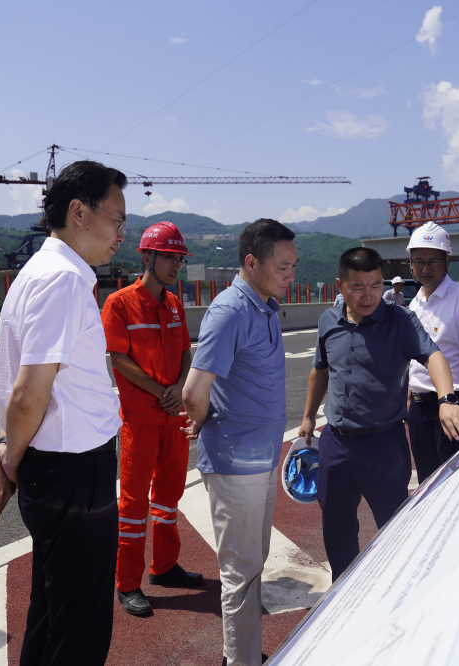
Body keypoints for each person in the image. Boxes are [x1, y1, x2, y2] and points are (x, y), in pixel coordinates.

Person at [0, 160, 127, 665]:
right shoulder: (63, 280)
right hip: (73, 471)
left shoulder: (37, 273)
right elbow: (28, 394)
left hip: (56, 469)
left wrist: (12, 452)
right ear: (78, 211)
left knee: (51, 612)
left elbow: (22, 389)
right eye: (116, 219)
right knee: (80, 630)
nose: (121, 235)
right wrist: (7, 460)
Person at [299, 247, 459, 581]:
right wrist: (307, 416)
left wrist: (447, 398)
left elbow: (434, 357)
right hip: (335, 442)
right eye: (358, 286)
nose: (369, 295)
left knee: (395, 529)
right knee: (336, 528)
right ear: (340, 285)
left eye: (375, 285)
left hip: (384, 444)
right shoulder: (328, 320)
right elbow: (320, 370)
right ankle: (342, 594)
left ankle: (402, 594)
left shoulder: (400, 319)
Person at [180, 219, 297, 666]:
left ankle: (245, 652)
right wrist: (208, 421)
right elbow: (193, 392)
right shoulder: (230, 310)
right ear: (252, 262)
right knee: (240, 572)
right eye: (283, 266)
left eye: (293, 266)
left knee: (253, 564)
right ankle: (241, 660)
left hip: (262, 457)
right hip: (235, 462)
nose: (291, 275)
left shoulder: (264, 306)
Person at [102, 222, 204, 617]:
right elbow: (119, 359)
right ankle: (127, 583)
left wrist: (180, 386)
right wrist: (159, 390)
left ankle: (164, 566)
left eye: (179, 259)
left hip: (172, 416)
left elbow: (184, 351)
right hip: (140, 419)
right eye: (169, 257)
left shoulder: (175, 303)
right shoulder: (120, 303)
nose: (176, 265)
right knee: (132, 503)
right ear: (147, 257)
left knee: (168, 496)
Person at [406, 222, 459, 485]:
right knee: (427, 481)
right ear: (410, 263)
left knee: (455, 481)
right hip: (419, 406)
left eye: (433, 261)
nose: (425, 268)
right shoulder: (415, 302)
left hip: (454, 403)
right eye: (419, 261)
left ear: (447, 260)